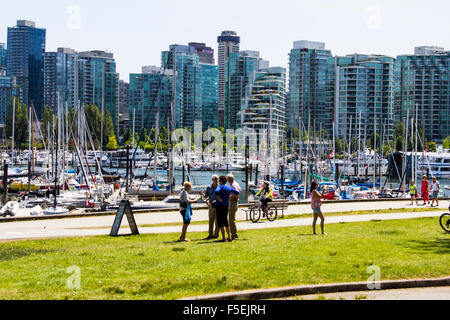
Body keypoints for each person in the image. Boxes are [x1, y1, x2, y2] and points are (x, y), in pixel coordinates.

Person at [215, 176, 240, 242]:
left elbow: (216, 191)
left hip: (219, 206)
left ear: (220, 181)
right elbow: (237, 192)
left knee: (220, 223)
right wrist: (229, 197)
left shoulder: (219, 187)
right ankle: (229, 237)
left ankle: (223, 238)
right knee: (226, 222)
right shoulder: (228, 187)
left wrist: (219, 199)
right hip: (226, 205)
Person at [201, 175, 220, 240]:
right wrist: (202, 193)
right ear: (212, 180)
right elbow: (206, 196)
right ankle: (210, 234)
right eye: (215, 179)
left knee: (217, 221)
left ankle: (216, 234)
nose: (216, 180)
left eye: (217, 179)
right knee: (211, 220)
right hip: (211, 205)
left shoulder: (220, 187)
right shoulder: (209, 188)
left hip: (218, 205)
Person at [227, 174, 242, 240]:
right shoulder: (236, 183)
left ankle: (234, 234)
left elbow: (237, 192)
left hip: (233, 202)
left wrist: (230, 197)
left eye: (227, 179)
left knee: (231, 220)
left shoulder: (233, 185)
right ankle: (233, 234)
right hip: (234, 202)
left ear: (230, 179)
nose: (227, 180)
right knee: (232, 219)